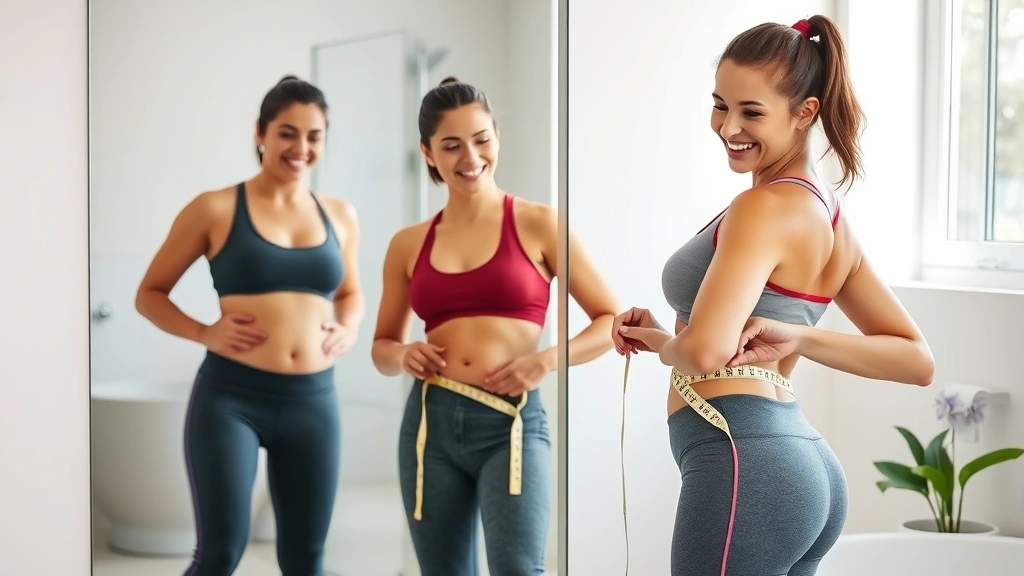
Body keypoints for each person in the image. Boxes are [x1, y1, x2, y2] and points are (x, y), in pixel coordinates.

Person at [610, 16, 936, 576]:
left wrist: (670, 348)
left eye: (751, 112)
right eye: (720, 105)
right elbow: (916, 358)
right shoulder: (832, 220)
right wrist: (799, 336)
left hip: (746, 464)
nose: (727, 126)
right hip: (800, 463)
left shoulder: (762, 207)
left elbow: (705, 354)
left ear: (804, 112)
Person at [370, 76, 618, 576]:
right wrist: (402, 356)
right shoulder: (407, 244)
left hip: (511, 423)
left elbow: (608, 321)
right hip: (429, 424)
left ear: (497, 137)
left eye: (482, 139)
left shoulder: (540, 223)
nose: (470, 156)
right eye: (451, 145)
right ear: (427, 153)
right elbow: (381, 345)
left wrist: (545, 360)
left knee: (518, 569)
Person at [135, 75, 364, 576]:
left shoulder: (341, 215)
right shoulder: (214, 208)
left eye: (314, 136)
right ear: (260, 132)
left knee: (307, 560)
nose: (301, 148)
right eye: (287, 132)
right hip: (231, 399)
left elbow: (351, 293)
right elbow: (149, 295)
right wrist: (203, 332)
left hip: (314, 403)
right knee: (219, 555)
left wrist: (348, 326)